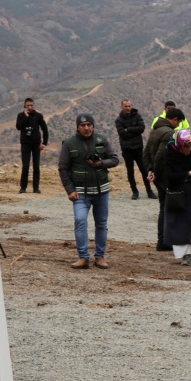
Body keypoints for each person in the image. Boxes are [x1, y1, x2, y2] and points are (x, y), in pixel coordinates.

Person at [57, 112, 119, 269]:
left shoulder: (102, 140)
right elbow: (63, 168)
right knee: (80, 221)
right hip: (81, 193)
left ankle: (100, 257)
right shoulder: (69, 144)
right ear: (77, 127)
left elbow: (114, 159)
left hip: (102, 192)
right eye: (83, 125)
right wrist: (70, 190)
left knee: (102, 224)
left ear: (93, 126)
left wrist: (101, 163)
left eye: (89, 125)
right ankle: (83, 257)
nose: (86, 128)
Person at [160, 129, 191, 266]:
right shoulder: (171, 155)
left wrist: (183, 176)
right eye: (186, 146)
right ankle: (185, 255)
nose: (189, 149)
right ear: (179, 145)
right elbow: (170, 177)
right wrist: (188, 174)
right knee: (179, 224)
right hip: (177, 196)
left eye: (190, 146)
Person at [145, 106, 185, 252]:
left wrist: (150, 170)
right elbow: (161, 156)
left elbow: (147, 153)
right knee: (172, 208)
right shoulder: (169, 133)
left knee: (163, 207)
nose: (178, 125)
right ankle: (167, 240)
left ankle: (162, 240)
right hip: (166, 175)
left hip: (158, 176)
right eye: (178, 122)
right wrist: (155, 171)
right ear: (174, 119)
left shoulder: (155, 130)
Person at [114, 99, 150, 199]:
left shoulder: (137, 116)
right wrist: (134, 131)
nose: (128, 108)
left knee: (144, 169)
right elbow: (122, 134)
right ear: (122, 107)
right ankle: (135, 191)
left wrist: (128, 129)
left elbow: (142, 128)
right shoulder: (119, 120)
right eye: (126, 106)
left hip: (138, 147)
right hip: (127, 149)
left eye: (129, 106)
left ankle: (149, 190)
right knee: (130, 171)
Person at [15, 97, 48, 193]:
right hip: (25, 144)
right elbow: (18, 127)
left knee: (36, 166)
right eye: (28, 105)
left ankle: (36, 188)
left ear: (34, 105)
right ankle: (23, 187)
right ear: (25, 106)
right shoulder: (21, 115)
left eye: (31, 105)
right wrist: (26, 116)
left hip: (36, 144)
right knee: (25, 166)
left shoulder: (38, 116)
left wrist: (44, 143)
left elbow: (45, 129)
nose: (30, 107)